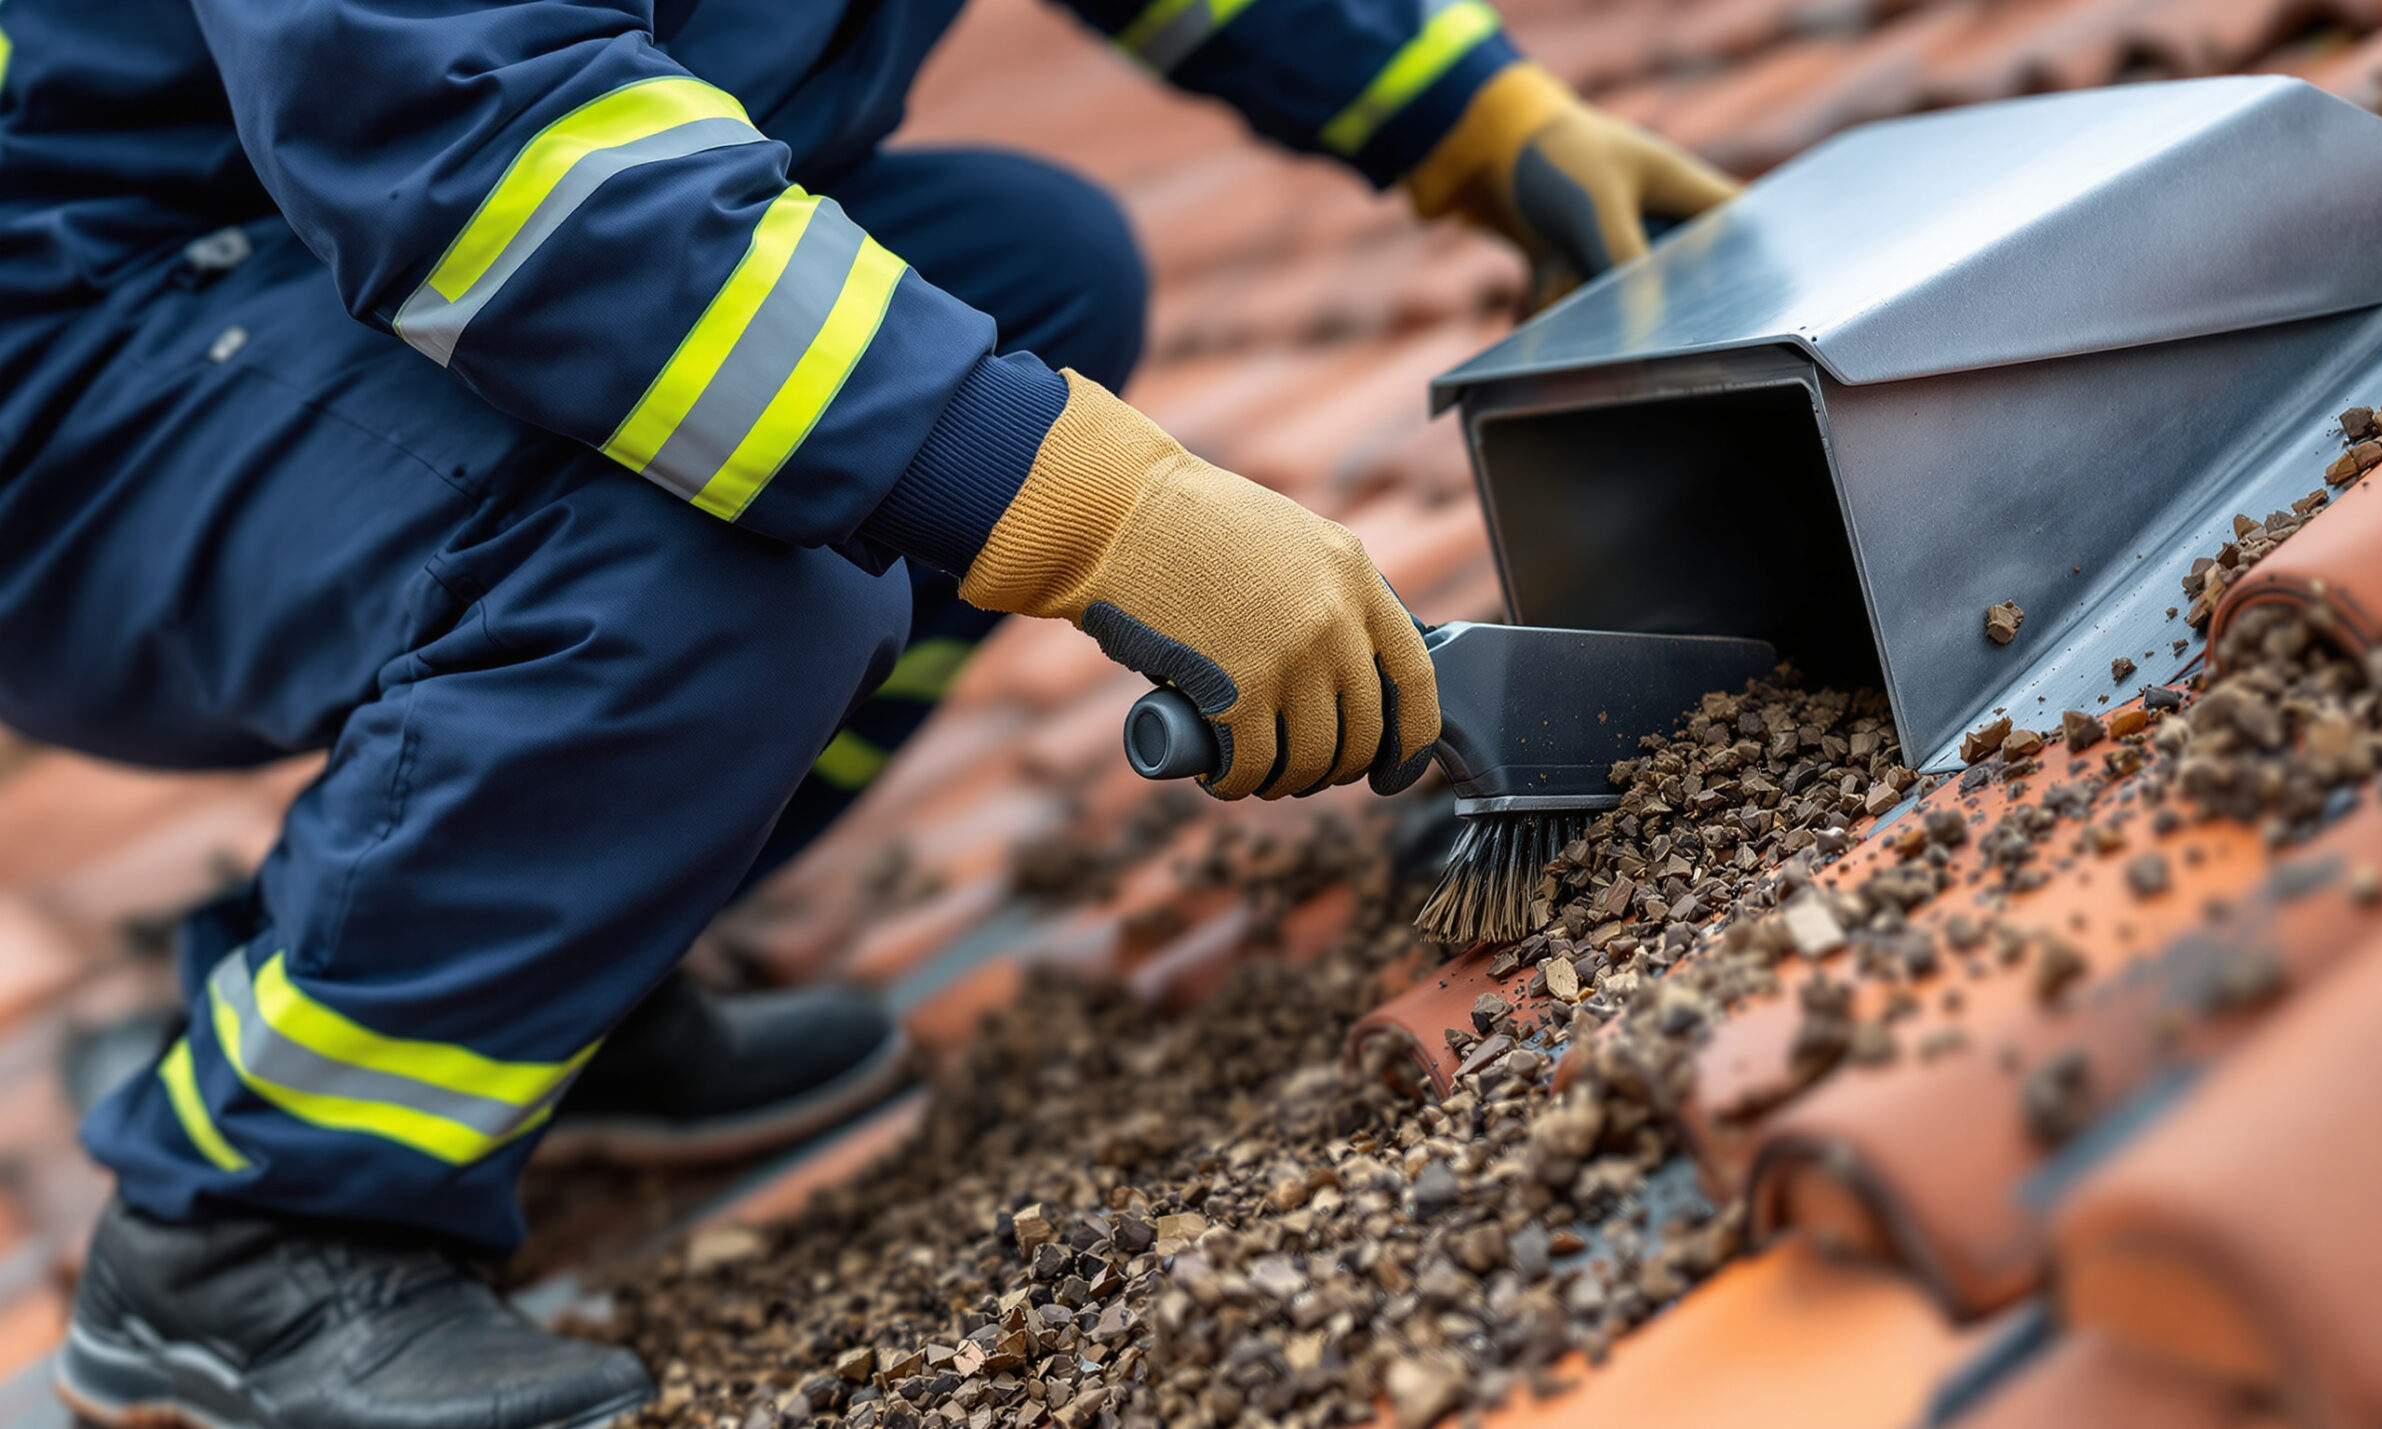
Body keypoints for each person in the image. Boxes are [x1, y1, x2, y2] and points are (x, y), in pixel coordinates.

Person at [0, 0, 1737, 1422]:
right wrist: (1098, 508)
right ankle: (249, 1223)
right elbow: (490, 164)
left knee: (1036, 274)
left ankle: (502, 977)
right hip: (89, 365)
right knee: (723, 564)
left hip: (304, 262)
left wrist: (1467, 117)